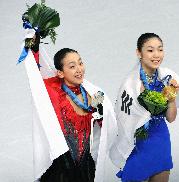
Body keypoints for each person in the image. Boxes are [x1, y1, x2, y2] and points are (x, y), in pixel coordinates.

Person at [24, 46, 116, 182]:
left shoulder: (94, 93)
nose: (79, 69)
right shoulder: (53, 92)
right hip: (61, 165)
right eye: (72, 66)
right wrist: (34, 44)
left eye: (80, 63)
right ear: (60, 73)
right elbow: (35, 74)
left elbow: (106, 126)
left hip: (85, 166)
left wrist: (101, 115)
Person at [110, 33, 179, 182]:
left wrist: (171, 98)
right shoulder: (130, 84)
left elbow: (171, 118)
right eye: (150, 50)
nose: (156, 55)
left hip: (160, 139)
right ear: (139, 53)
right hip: (137, 143)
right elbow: (123, 118)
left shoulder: (167, 78)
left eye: (160, 49)